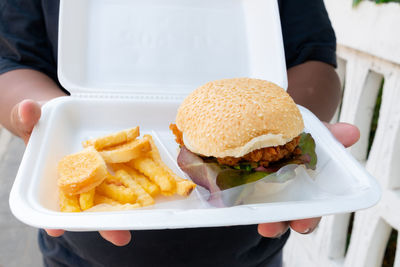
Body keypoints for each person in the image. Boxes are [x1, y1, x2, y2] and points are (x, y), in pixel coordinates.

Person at [0, 0, 360, 266]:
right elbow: (12, 60)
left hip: (252, 248)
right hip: (80, 254)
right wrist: (46, 120)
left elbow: (314, 57)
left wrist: (282, 125)